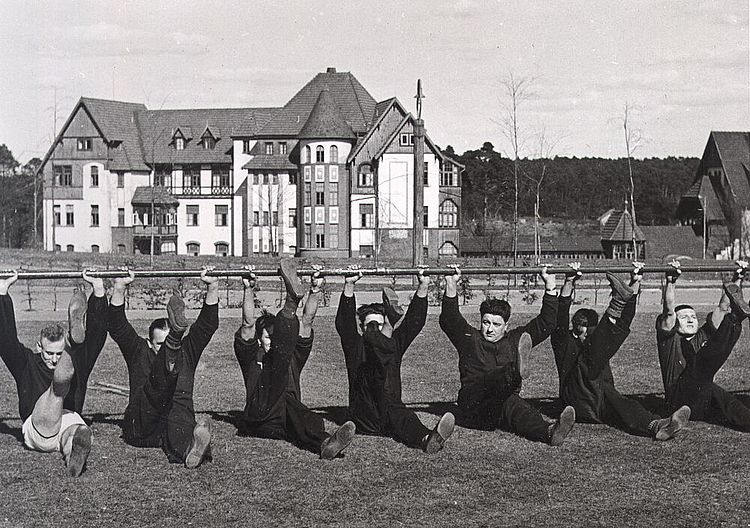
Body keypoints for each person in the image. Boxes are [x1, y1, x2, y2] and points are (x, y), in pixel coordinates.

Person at [551, 262, 690, 439]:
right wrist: (569, 281)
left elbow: (625, 321)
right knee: (590, 356)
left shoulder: (597, 342)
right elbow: (561, 314)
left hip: (600, 398)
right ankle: (616, 303)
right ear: (574, 329)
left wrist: (635, 281)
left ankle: (658, 426)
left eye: (592, 330)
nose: (587, 334)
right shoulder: (563, 341)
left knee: (625, 404)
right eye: (582, 329)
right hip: (576, 399)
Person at [440, 265, 575, 446]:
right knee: (494, 382)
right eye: (486, 322)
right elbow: (450, 319)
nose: (489, 329)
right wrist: (451, 284)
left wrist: (550, 286)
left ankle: (549, 431)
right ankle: (515, 370)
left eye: (496, 324)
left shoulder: (515, 340)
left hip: (501, 404)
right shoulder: (470, 339)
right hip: (474, 404)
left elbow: (547, 323)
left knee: (517, 407)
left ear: (506, 325)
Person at [234, 261, 355, 459]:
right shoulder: (251, 357)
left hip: (283, 420)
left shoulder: (292, 357)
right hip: (259, 416)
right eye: (267, 337)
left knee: (301, 415)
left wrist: (315, 290)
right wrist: (248, 288)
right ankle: (290, 304)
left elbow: (306, 321)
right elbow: (248, 324)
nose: (272, 342)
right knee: (278, 362)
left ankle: (325, 443)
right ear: (259, 339)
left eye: (276, 337)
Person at [336, 266, 455, 453]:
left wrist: (423, 285)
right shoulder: (355, 345)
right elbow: (345, 322)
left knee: (403, 416)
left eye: (380, 324)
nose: (374, 328)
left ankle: (427, 439)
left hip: (390, 410)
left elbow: (413, 323)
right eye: (370, 325)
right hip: (364, 415)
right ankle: (390, 320)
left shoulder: (395, 344)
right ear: (361, 328)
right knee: (379, 352)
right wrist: (349, 284)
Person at [108, 267, 219, 468]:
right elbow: (117, 326)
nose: (161, 350)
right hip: (142, 424)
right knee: (159, 385)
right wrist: (119, 287)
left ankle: (190, 449)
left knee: (179, 413)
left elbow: (207, 326)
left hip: (173, 421)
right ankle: (174, 338)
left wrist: (212, 286)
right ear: (150, 343)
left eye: (168, 343)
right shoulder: (140, 351)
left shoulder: (188, 352)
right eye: (161, 344)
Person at [0, 269, 108, 476]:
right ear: (39, 347)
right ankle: (72, 345)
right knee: (57, 390)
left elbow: (97, 337)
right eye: (49, 353)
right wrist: (3, 294)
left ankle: (71, 456)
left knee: (74, 434)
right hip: (39, 425)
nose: (54, 359)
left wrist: (99, 291)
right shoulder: (26, 363)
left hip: (69, 419)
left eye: (59, 354)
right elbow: (5, 340)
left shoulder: (72, 363)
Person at [656, 260, 750, 432]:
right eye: (684, 317)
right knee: (701, 368)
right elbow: (669, 310)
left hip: (701, 400)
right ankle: (735, 319)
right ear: (675, 323)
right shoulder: (669, 341)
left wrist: (737, 278)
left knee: (718, 392)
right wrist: (671, 282)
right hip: (677, 397)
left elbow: (723, 308)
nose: (691, 319)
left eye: (693, 316)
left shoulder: (702, 335)